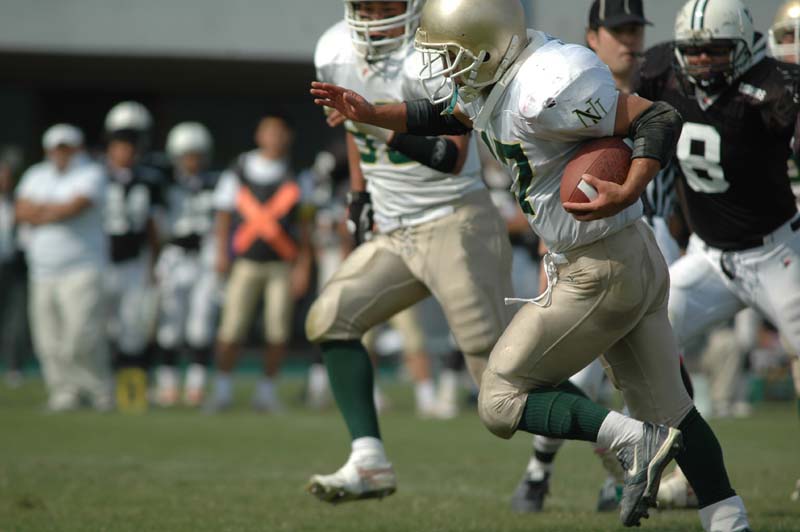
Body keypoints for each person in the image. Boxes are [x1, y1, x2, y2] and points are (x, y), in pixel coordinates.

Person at [311, 0, 754, 529]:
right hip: (627, 256)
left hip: (599, 268)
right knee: (674, 409)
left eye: (450, 55)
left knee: (499, 397)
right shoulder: (495, 75)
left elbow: (657, 116)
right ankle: (729, 520)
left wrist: (631, 185)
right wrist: (372, 113)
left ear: (486, 47)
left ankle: (635, 441)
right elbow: (446, 114)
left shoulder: (548, 85)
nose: (443, 68)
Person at [305, 0, 516, 505]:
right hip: (396, 231)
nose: (374, 20)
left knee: (503, 386)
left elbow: (450, 154)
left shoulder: (436, 52)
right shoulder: (334, 49)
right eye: (365, 8)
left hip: (454, 222)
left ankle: (618, 440)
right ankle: (369, 459)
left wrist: (371, 119)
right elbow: (352, 130)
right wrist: (359, 195)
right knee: (330, 318)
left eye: (386, 8)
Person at [637, 0, 800, 512]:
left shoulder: (775, 87)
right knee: (649, 335)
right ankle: (688, 473)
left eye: (715, 50)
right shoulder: (662, 70)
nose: (703, 61)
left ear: (745, 48)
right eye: (695, 51)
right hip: (709, 255)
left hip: (775, 252)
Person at [206, 115, 313, 413]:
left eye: (280, 132)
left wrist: (303, 266)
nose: (274, 138)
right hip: (245, 262)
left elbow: (306, 227)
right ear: (258, 135)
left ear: (288, 137)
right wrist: (221, 254)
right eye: (269, 132)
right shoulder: (238, 170)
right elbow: (223, 216)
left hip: (282, 264)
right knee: (231, 328)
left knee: (278, 331)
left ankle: (267, 392)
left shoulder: (298, 174)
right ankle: (222, 390)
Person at [15, 124, 111, 411]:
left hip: (82, 267)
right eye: (56, 149)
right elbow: (21, 211)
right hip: (42, 270)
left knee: (81, 335)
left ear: (77, 149)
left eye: (66, 148)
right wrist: (53, 210)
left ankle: (97, 390)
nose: (61, 154)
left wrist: (40, 211)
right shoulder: (36, 175)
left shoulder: (91, 173)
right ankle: (64, 391)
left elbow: (75, 206)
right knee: (48, 339)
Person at [152, 122, 221, 407]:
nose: (192, 161)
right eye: (186, 155)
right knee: (170, 324)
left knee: (200, 325)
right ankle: (167, 384)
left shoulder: (216, 183)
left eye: (196, 155)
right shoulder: (163, 184)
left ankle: (196, 385)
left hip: (204, 256)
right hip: (174, 256)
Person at [102, 101, 163, 411]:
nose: (126, 151)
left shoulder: (149, 180)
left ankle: (133, 390)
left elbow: (153, 227)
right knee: (104, 327)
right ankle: (104, 387)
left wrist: (155, 262)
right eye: (120, 144)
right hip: (102, 261)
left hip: (135, 262)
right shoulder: (96, 176)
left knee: (133, 326)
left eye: (131, 145)